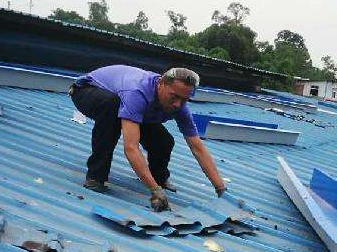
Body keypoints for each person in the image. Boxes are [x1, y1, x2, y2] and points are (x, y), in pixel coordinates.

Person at [70, 65, 226, 211]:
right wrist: (154, 190)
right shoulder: (136, 92)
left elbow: (197, 148)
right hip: (87, 90)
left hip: (127, 102)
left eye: (184, 100)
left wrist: (221, 189)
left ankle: (159, 178)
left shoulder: (179, 106)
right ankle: (96, 176)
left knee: (164, 141)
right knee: (112, 111)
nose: (178, 104)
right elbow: (131, 148)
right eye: (174, 97)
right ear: (160, 84)